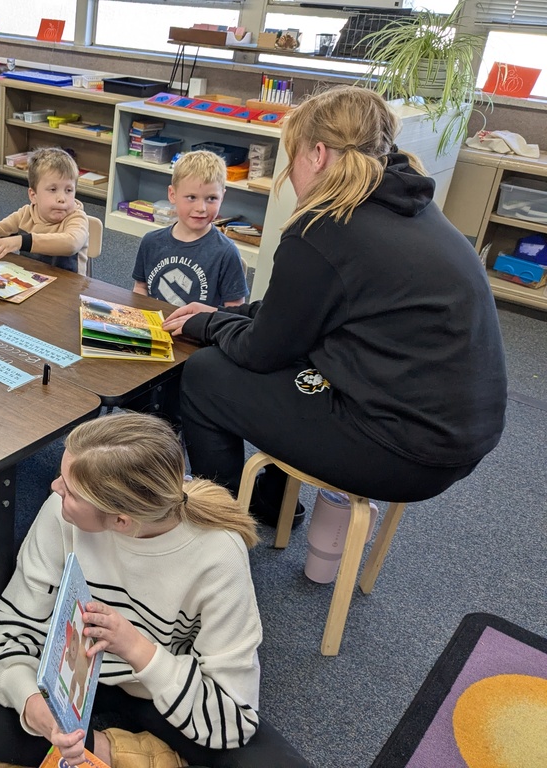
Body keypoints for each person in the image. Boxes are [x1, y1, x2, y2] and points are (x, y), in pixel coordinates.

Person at [163, 86, 507, 527]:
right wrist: (227, 316)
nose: (290, 172)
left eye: (292, 157)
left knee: (205, 374)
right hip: (459, 438)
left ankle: (219, 523)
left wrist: (208, 326)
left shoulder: (323, 228)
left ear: (318, 154)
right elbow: (299, 313)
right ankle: (272, 501)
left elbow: (261, 352)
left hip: (404, 451)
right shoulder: (413, 206)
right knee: (301, 357)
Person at [0, 413, 310, 768]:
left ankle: (98, 753)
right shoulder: (60, 512)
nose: (54, 487)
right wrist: (33, 707)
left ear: (121, 521)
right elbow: (14, 629)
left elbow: (234, 718)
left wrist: (137, 649)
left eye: (69, 490)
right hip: (69, 682)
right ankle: (117, 753)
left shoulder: (218, 553)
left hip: (156, 688)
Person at [133, 150, 247, 308]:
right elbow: (140, 288)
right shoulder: (151, 241)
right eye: (192, 197)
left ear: (222, 197)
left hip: (200, 325)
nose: (201, 208)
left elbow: (234, 311)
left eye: (211, 198)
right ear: (172, 194)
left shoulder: (226, 252)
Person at [0, 147, 89, 274]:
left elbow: (71, 244)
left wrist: (21, 241)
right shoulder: (25, 214)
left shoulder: (77, 218)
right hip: (31, 279)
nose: (62, 198)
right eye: (53, 190)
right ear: (33, 195)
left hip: (67, 285)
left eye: (69, 190)